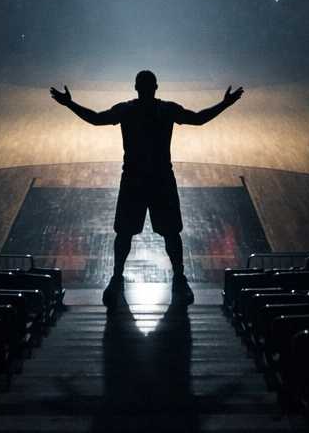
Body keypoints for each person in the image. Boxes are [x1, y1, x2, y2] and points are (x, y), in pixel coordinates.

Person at [51, 70, 243, 307]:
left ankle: (117, 277)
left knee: (124, 233)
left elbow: (95, 118)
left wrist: (69, 103)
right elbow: (199, 118)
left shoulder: (127, 110)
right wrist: (225, 103)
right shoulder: (166, 110)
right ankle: (179, 279)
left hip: (133, 179)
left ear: (135, 87)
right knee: (171, 233)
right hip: (161, 178)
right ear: (156, 87)